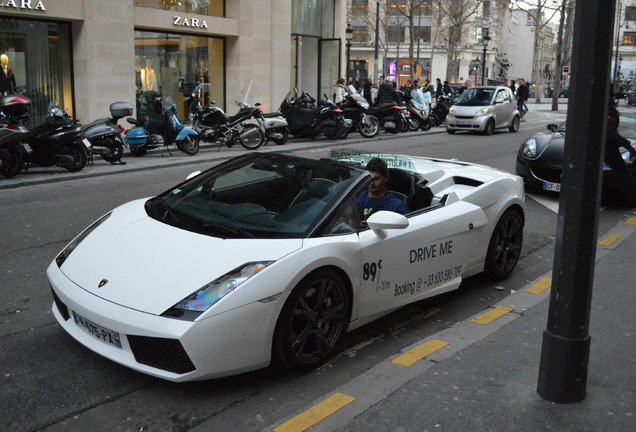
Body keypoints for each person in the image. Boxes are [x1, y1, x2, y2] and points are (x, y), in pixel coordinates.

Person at [606, 90, 636, 211]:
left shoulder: (589, 105)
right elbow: (609, 132)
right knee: (624, 175)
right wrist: (628, 146)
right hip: (606, 147)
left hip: (588, 145)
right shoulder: (608, 109)